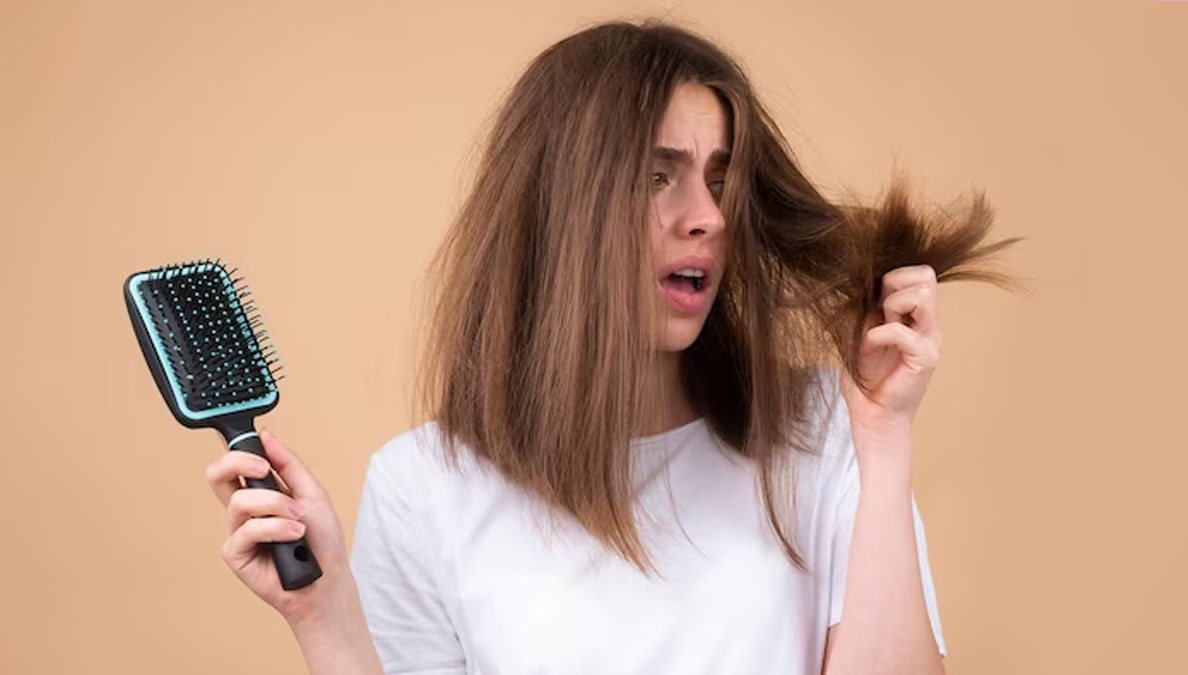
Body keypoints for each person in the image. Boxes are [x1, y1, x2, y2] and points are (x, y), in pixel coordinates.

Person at [205, 18, 1020, 675]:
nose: (705, 214)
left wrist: (882, 440)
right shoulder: (425, 486)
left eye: (719, 176)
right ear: (561, 210)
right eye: (655, 176)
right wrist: (325, 617)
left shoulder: (827, 428)